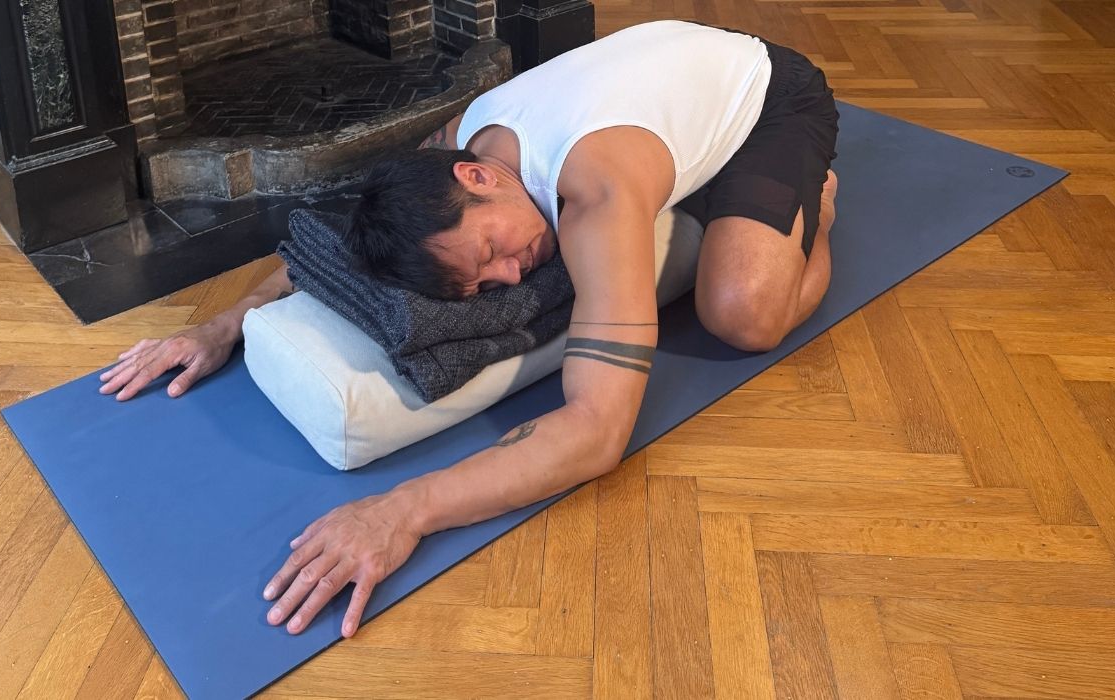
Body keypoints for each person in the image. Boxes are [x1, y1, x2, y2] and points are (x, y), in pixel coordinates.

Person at [99, 20, 839, 638]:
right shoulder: (456, 149)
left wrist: (403, 510)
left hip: (767, 89)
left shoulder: (598, 193)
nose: (514, 277)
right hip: (665, 67)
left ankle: (822, 206)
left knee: (742, 315)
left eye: (492, 252)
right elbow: (344, 242)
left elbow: (597, 431)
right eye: (485, 284)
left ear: (477, 180)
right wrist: (222, 327)